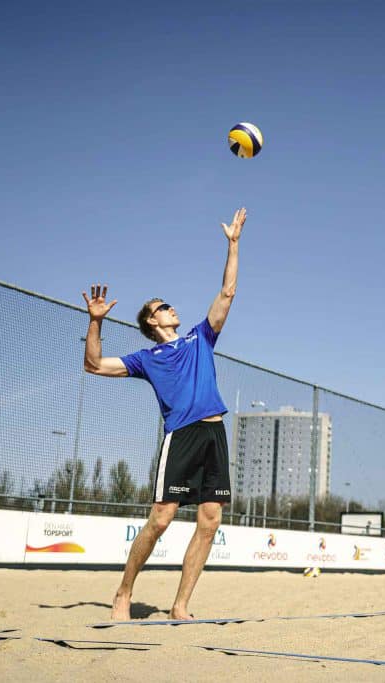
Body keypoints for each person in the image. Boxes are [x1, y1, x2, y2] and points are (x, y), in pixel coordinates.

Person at [81, 207, 246, 621]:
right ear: (152, 321)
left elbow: (227, 293)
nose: (172, 309)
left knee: (210, 520)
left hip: (215, 433)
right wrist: (95, 323)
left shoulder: (199, 338)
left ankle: (181, 605)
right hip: (183, 435)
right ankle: (123, 592)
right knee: (160, 519)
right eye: (164, 306)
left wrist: (233, 245)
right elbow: (94, 365)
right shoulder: (147, 357)